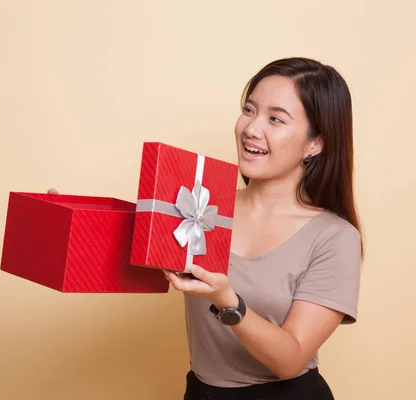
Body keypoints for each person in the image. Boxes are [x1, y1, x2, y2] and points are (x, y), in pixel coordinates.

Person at [49, 57, 363, 400]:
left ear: (315, 143)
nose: (252, 129)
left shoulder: (334, 238)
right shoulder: (201, 208)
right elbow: (128, 257)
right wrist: (70, 219)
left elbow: (290, 359)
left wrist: (226, 301)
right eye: (249, 110)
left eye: (275, 119)